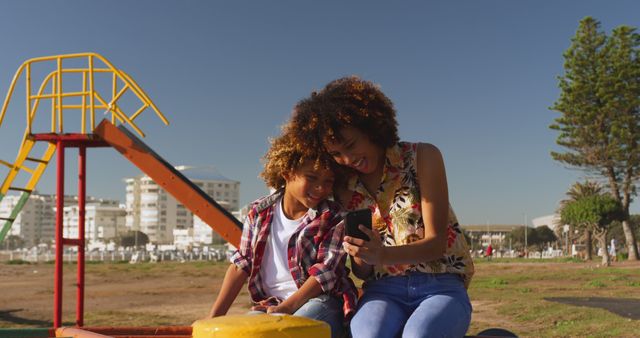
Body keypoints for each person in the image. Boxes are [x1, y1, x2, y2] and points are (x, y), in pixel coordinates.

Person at [289, 76, 474, 338]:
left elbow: (437, 244)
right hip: (382, 290)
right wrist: (362, 255)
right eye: (336, 154)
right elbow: (362, 271)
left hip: (441, 285)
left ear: (372, 126)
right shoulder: (344, 186)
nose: (348, 159)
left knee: (418, 335)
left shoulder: (423, 157)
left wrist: (384, 256)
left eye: (351, 145)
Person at [206, 129, 357, 338]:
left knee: (286, 331)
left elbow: (326, 272)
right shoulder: (258, 212)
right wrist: (214, 318)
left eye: (328, 181)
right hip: (269, 306)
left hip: (321, 302)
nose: (320, 187)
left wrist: (286, 310)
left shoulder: (333, 217)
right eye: (311, 177)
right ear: (287, 172)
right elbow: (241, 264)